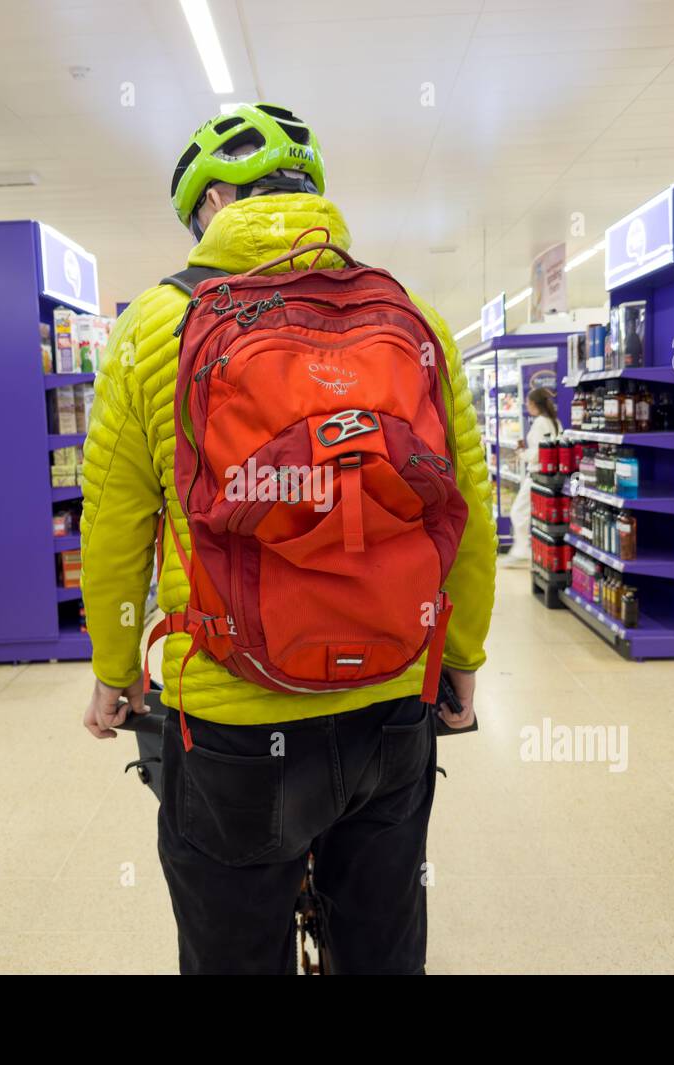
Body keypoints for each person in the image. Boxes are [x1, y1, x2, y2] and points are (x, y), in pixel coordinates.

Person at [80, 103, 496, 974]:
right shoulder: (413, 314)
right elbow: (465, 505)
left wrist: (116, 672)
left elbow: (116, 524)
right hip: (389, 701)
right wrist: (460, 655)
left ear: (216, 199)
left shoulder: (157, 325)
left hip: (235, 720)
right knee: (382, 946)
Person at [503, 386, 561, 568]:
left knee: (518, 512)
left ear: (534, 404)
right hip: (551, 475)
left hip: (537, 474)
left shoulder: (539, 423)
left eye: (528, 402)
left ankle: (522, 552)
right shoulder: (555, 422)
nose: (527, 405)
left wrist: (522, 452)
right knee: (535, 515)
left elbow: (538, 453)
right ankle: (530, 550)